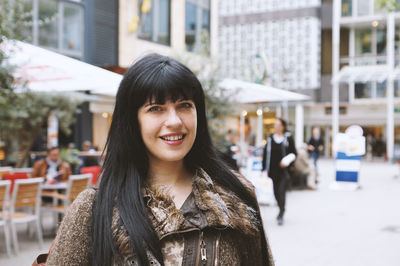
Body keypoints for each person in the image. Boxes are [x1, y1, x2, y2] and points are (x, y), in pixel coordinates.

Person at [42, 54, 274, 266]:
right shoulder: (94, 208)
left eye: (184, 105)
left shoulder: (237, 197)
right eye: (155, 108)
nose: (174, 121)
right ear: (133, 122)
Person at [262, 118, 296, 226]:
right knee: (276, 192)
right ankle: (281, 207)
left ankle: (281, 213)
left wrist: (286, 162)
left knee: (281, 192)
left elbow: (294, 153)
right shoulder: (270, 138)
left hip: (284, 171)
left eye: (278, 125)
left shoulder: (288, 138)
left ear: (283, 126)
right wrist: (264, 169)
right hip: (272, 170)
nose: (276, 127)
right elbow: (265, 154)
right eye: (275, 125)